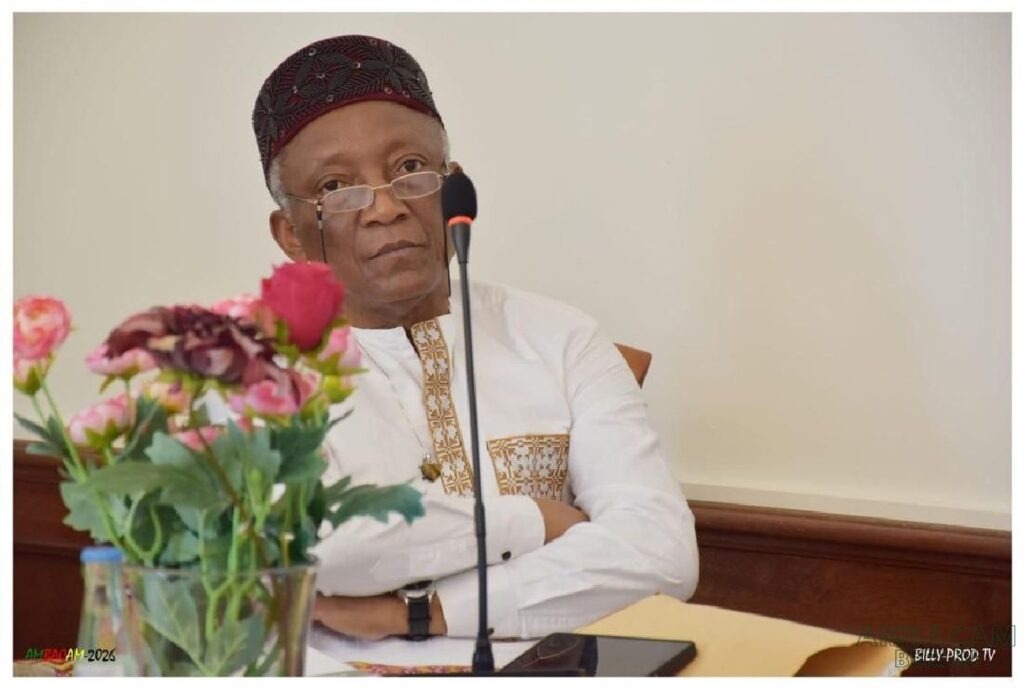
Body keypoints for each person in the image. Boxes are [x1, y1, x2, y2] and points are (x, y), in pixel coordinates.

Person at [251, 34, 699, 646]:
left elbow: (663, 554)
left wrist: (425, 612)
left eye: (410, 170)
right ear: (291, 235)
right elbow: (309, 546)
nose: (384, 208)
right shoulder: (256, 371)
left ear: (455, 189)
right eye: (335, 187)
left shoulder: (560, 338)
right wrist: (530, 521)